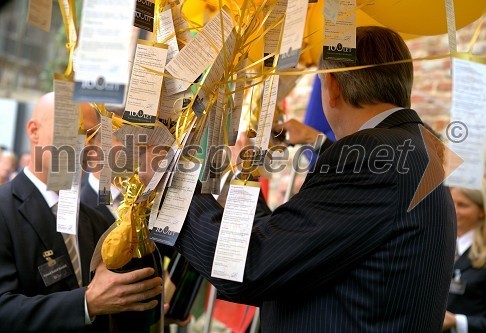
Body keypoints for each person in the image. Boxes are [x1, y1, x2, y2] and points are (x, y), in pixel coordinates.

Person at [141, 26, 457, 332]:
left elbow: (248, 265)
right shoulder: (421, 150)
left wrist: (169, 184)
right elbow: (290, 251)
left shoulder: (373, 157)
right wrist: (243, 176)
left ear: (331, 87)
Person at [0, 93, 163, 332]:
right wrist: (85, 303)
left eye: (89, 134)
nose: (82, 145)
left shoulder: (98, 220)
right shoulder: (5, 210)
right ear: (33, 131)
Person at [443, 182, 486, 332]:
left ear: (482, 211)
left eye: (462, 205)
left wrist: (458, 322)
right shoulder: (438, 248)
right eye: (451, 202)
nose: (453, 209)